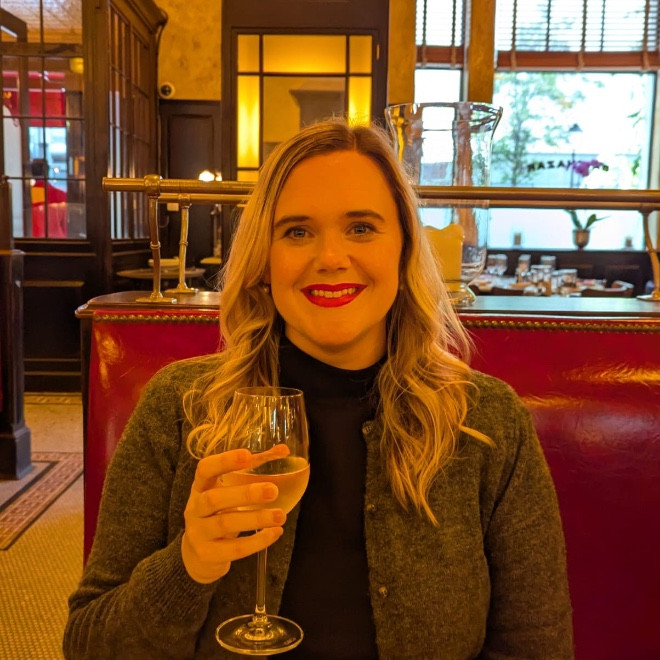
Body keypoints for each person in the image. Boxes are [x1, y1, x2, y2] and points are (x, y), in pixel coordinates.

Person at [64, 120, 573, 659]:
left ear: (404, 250)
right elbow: (90, 644)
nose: (330, 257)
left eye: (361, 228)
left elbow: (537, 647)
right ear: (264, 261)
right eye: (297, 232)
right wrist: (188, 565)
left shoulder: (488, 421)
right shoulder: (179, 406)